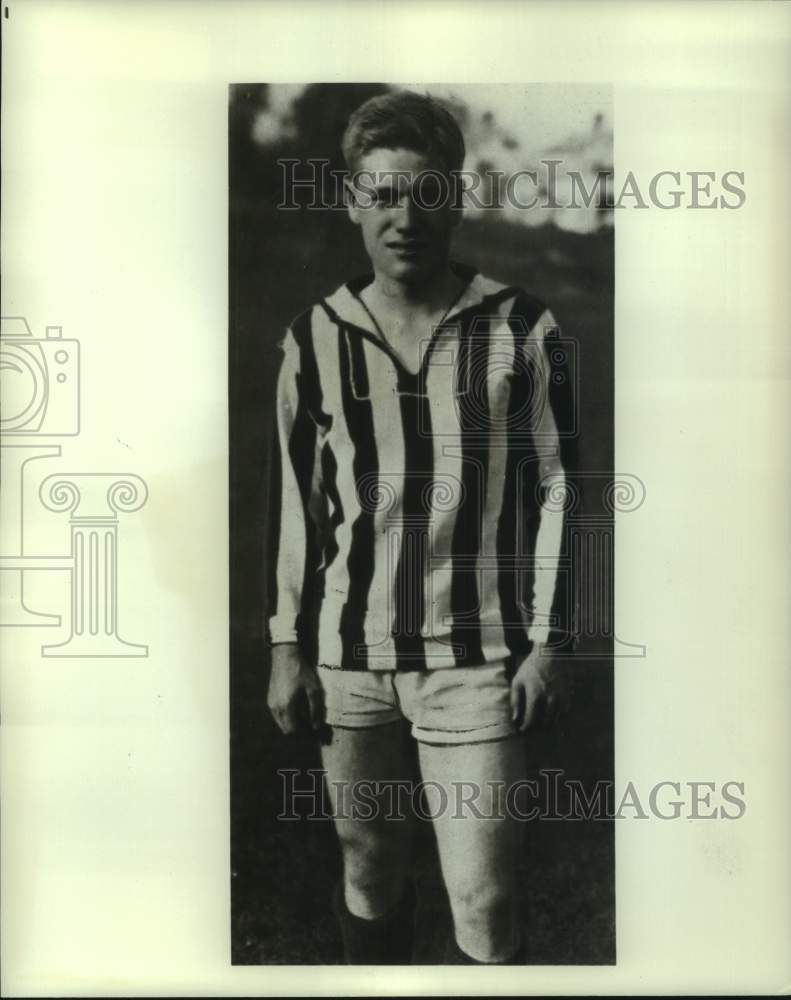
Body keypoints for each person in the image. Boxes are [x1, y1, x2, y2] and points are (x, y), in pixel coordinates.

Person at [266, 90, 576, 965]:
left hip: (476, 656)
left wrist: (550, 645)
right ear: (351, 202)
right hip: (348, 655)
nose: (405, 218)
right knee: (369, 866)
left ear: (456, 197)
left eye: (426, 194)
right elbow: (297, 503)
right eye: (383, 196)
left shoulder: (521, 328)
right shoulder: (314, 338)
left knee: (484, 894)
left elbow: (559, 491)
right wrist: (287, 646)